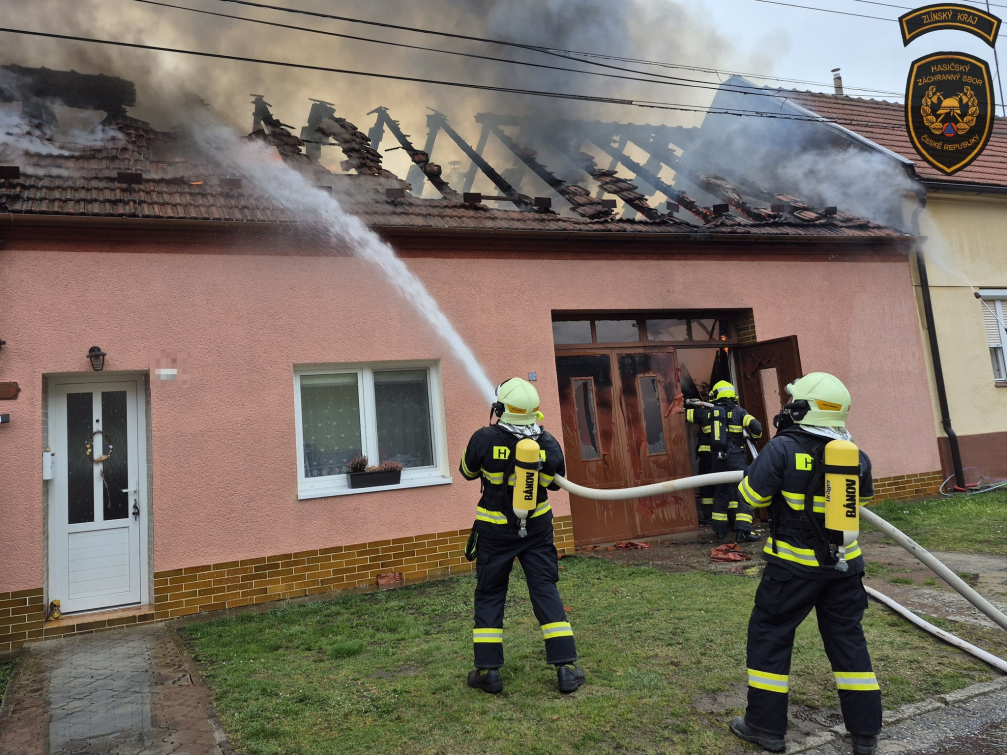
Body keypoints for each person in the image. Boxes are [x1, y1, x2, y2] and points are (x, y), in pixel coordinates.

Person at [730, 373, 881, 755]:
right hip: (845, 567)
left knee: (770, 636)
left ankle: (764, 727)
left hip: (792, 569)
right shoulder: (855, 455)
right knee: (848, 642)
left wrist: (759, 470)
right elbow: (856, 501)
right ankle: (865, 733)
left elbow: (752, 495)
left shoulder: (781, 448)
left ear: (803, 408)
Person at [459, 377, 584, 695]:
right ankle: (566, 669)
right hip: (537, 530)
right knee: (545, 591)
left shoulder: (484, 438)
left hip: (494, 531)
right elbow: (555, 483)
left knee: (490, 595)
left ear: (500, 409)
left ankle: (488, 672)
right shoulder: (547, 441)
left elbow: (467, 472)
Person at [706, 380, 763, 543]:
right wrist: (755, 438)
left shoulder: (711, 414)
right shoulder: (740, 412)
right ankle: (743, 530)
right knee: (745, 492)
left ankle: (720, 531)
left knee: (721, 492)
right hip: (736, 458)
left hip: (717, 459)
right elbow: (757, 427)